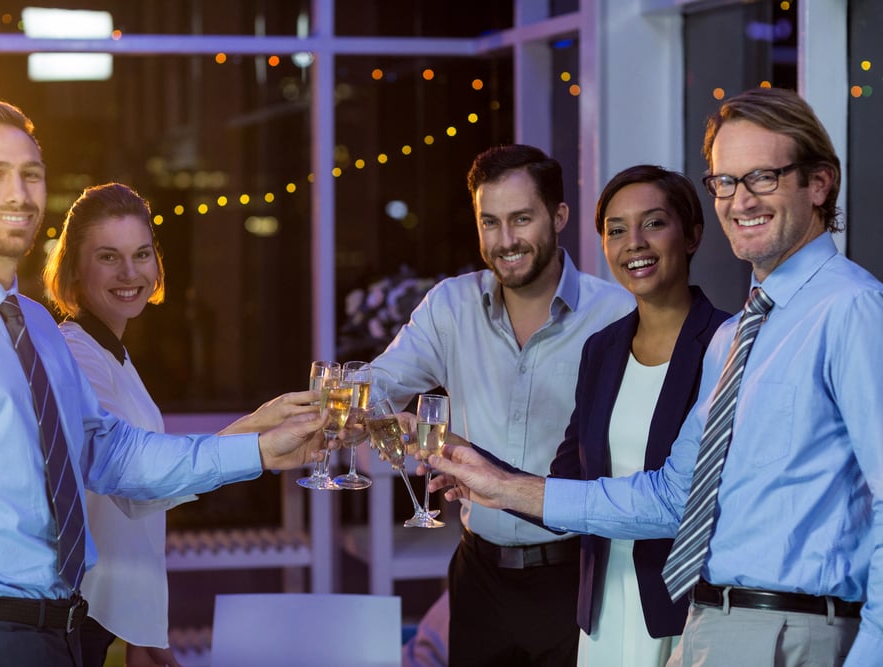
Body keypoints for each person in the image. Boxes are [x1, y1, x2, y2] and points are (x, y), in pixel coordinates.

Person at [428, 87, 883, 667]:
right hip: (713, 625)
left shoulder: (852, 310)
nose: (740, 200)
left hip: (796, 631)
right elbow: (672, 498)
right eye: (725, 181)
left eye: (762, 177)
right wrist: (498, 483)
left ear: (819, 184)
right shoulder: (739, 335)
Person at [0, 98, 325, 667]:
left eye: (31, 174)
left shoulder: (36, 327)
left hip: (63, 628)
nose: (18, 192)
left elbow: (109, 454)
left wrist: (259, 451)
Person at [371, 143, 635, 666]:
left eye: (521, 219)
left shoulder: (618, 313)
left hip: (579, 576)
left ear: (558, 216)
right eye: (490, 222)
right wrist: (374, 418)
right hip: (479, 577)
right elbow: (380, 383)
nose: (506, 240)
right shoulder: (450, 306)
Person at [42, 183, 319, 667]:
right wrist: (260, 448)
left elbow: (148, 482)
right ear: (73, 270)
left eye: (141, 254)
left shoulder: (110, 350)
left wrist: (256, 424)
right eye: (108, 257)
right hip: (82, 618)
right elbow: (134, 482)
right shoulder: (75, 354)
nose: (130, 273)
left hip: (110, 618)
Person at [551, 165, 729, 665]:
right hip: (604, 607)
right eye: (616, 229)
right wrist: (474, 471)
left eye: (653, 223)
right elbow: (567, 479)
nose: (634, 243)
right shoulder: (601, 350)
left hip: (689, 613)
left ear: (692, 235)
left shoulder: (728, 344)